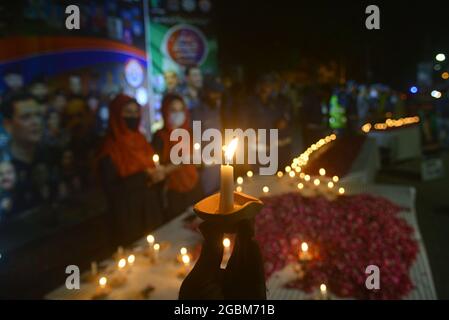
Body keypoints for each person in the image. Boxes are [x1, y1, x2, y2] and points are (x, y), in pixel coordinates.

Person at [97, 94, 165, 247]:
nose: (133, 116)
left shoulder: (141, 140)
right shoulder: (109, 149)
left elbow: (152, 171)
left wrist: (158, 177)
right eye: (127, 112)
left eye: (136, 112)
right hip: (128, 217)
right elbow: (112, 189)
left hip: (151, 210)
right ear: (116, 115)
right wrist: (144, 176)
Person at [2, 92, 57, 214]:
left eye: (38, 115)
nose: (36, 122)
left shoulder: (51, 154)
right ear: (8, 125)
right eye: (26, 117)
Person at [152, 93, 202, 220]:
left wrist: (199, 162)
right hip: (173, 194)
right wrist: (180, 163)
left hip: (194, 188)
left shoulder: (189, 133)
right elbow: (157, 171)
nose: (178, 114)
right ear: (165, 112)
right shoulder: (159, 137)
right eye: (173, 110)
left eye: (181, 110)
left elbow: (197, 162)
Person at [191, 78, 224, 196]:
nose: (217, 96)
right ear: (205, 92)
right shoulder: (196, 112)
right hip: (206, 167)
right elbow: (194, 139)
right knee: (207, 198)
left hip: (219, 163)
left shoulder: (217, 109)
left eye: (219, 93)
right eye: (214, 92)